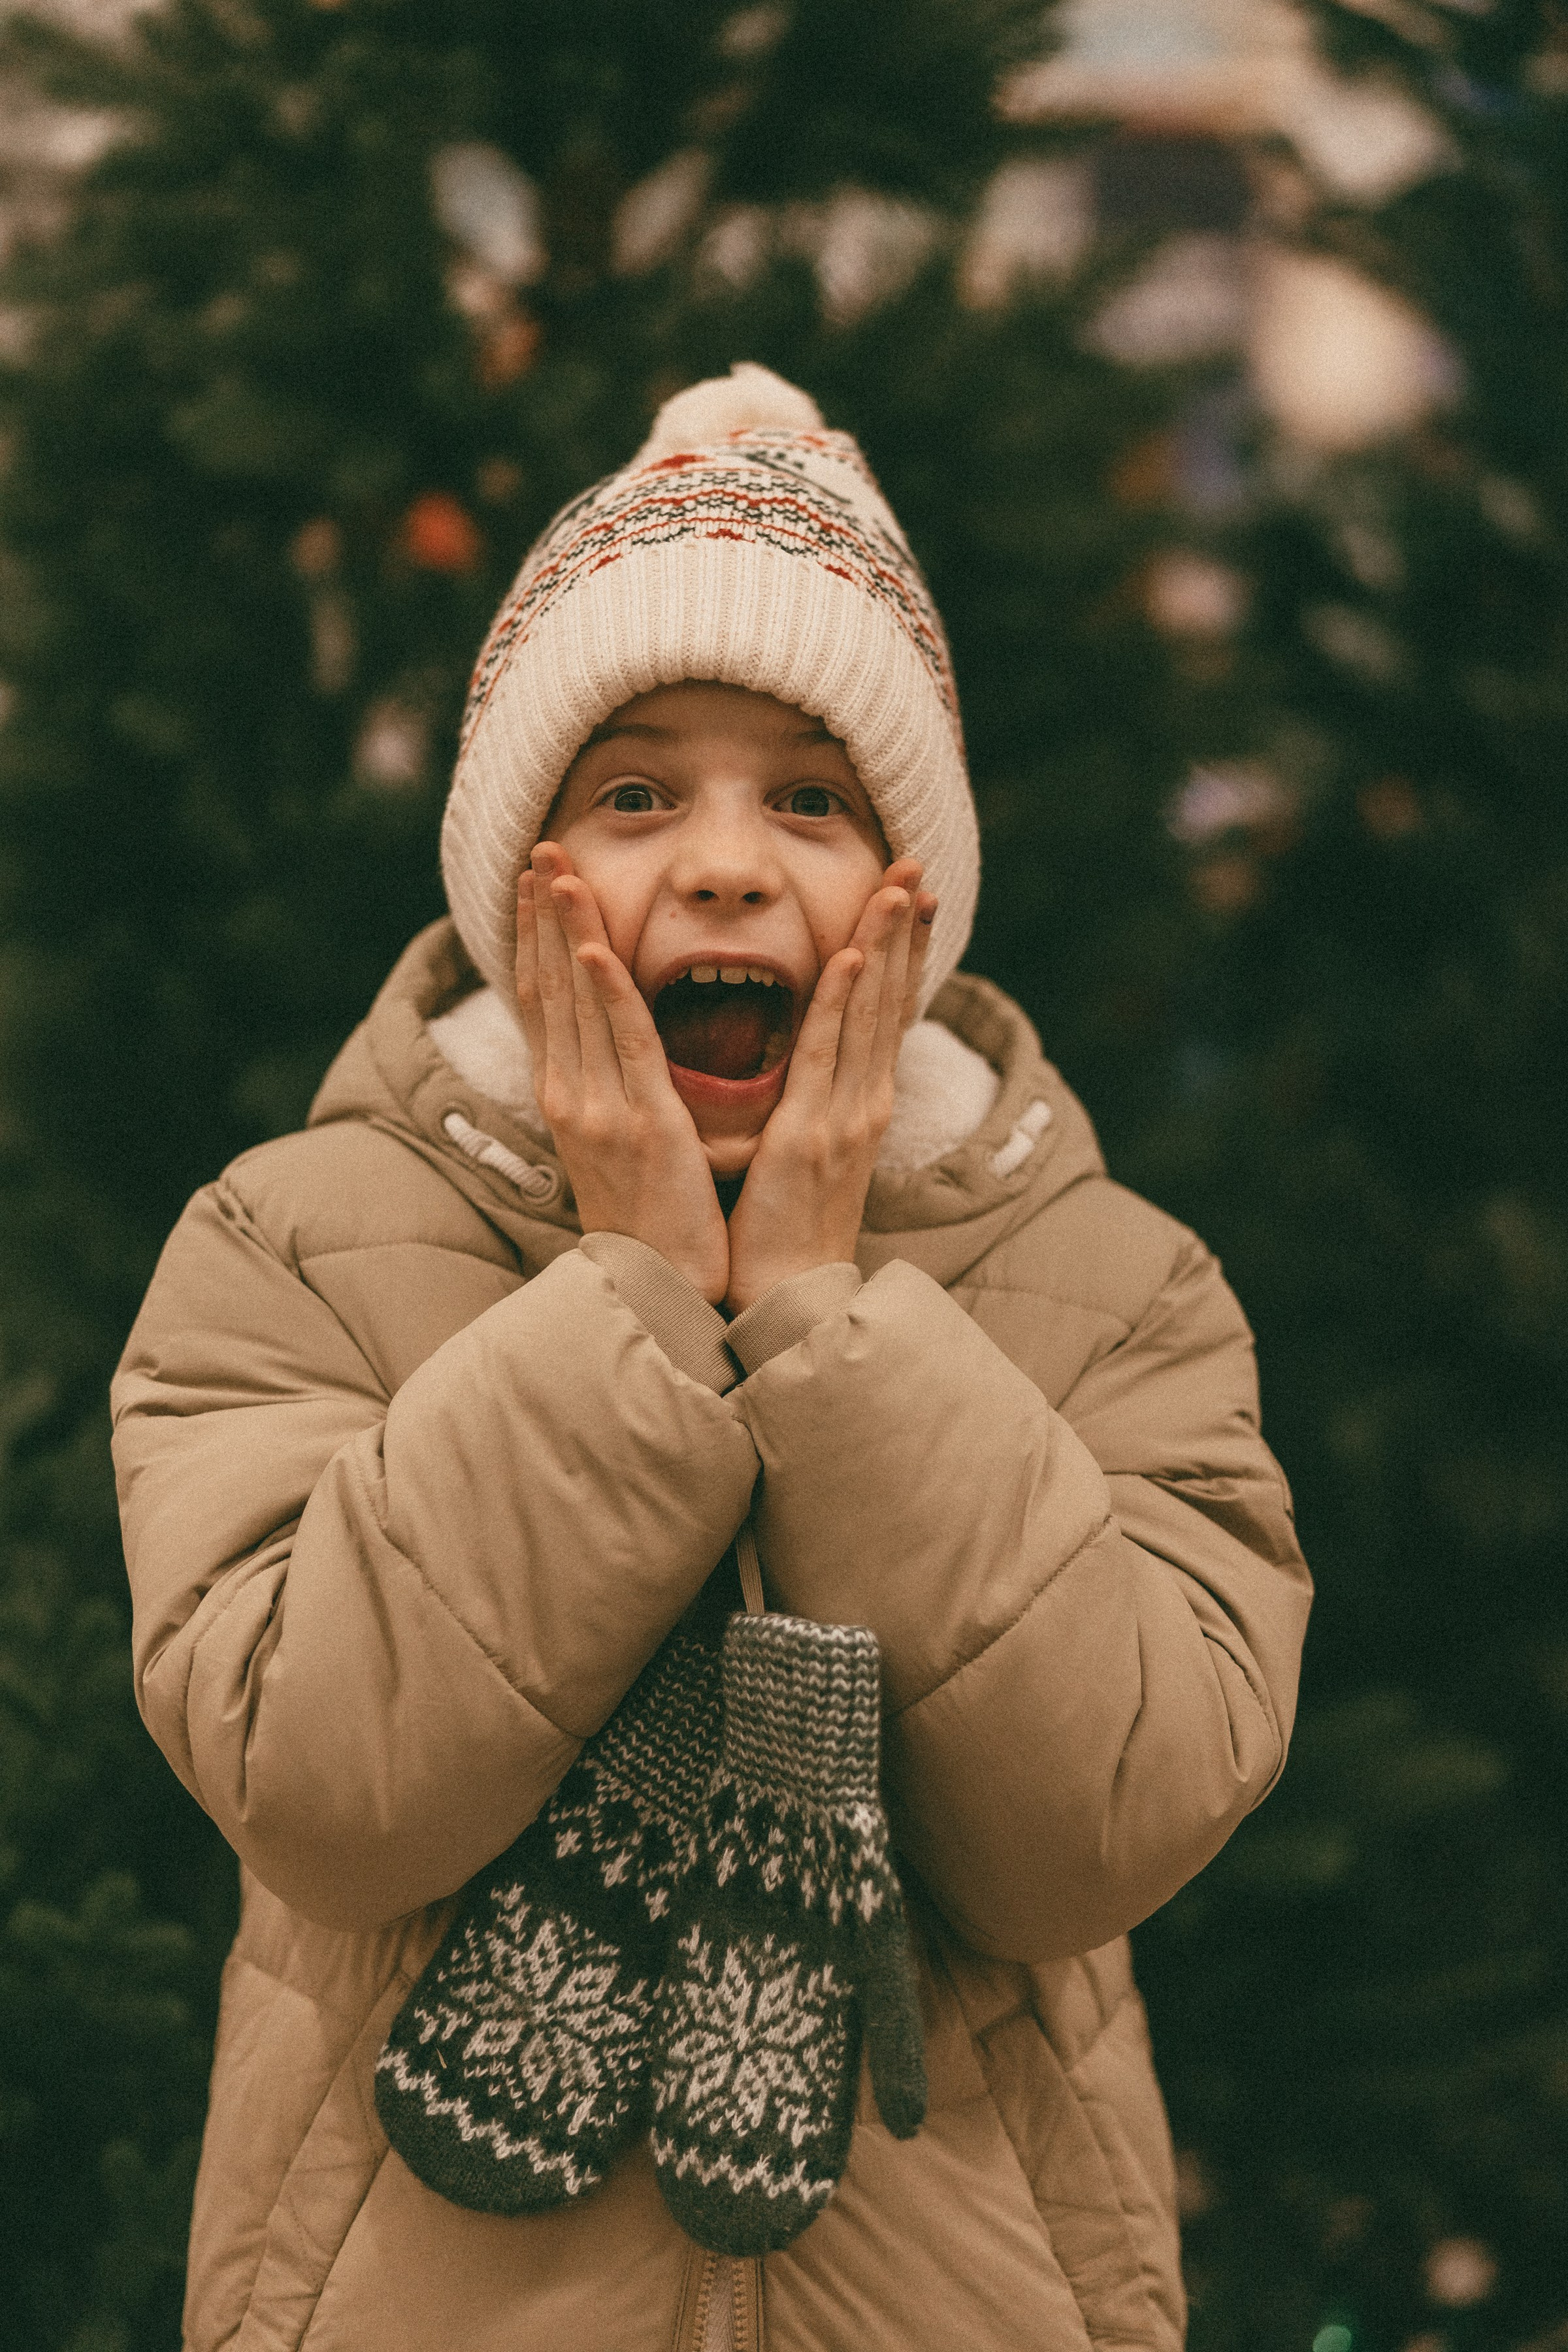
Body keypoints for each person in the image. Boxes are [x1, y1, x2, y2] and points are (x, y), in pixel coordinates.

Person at [112, 363, 1312, 2352]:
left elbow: (1101, 1828)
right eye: (636, 794)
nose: (730, 864)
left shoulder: (1115, 1286)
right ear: (519, 882)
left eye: (815, 801)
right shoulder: (295, 1245)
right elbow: (319, 1779)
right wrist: (635, 1302)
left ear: (916, 903)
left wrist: (829, 1320)